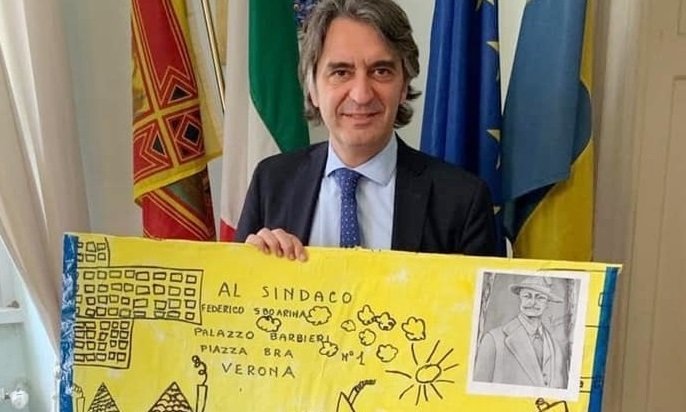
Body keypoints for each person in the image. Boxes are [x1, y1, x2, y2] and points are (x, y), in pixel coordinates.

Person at [236, 0, 496, 260]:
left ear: (403, 86)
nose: (361, 95)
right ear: (312, 88)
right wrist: (253, 267)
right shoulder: (270, 182)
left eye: (381, 71)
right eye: (341, 72)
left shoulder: (463, 201)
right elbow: (237, 284)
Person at [473, 276, 569, 388]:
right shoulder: (493, 340)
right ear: (520, 298)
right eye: (527, 296)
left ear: (547, 303)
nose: (532, 302)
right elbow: (478, 389)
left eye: (540, 298)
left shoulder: (555, 347)